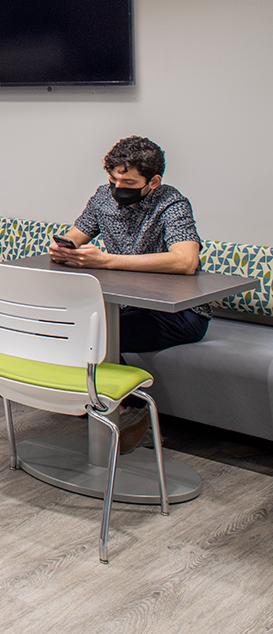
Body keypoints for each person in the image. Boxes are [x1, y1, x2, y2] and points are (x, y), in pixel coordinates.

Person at [47, 135, 205, 451]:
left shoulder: (171, 204)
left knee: (97, 338)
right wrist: (63, 248)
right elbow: (75, 235)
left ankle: (132, 415)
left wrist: (107, 260)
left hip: (180, 313)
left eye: (129, 181)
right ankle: (117, 411)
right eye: (113, 179)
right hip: (129, 305)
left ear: (153, 181)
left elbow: (187, 261)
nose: (118, 187)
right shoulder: (103, 198)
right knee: (78, 329)